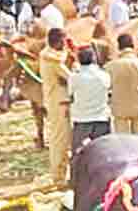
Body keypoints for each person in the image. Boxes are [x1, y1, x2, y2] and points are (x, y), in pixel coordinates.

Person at [39, 28, 73, 185]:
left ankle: (61, 173)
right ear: (58, 42)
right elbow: (71, 78)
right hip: (59, 103)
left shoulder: (50, 55)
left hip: (56, 102)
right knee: (60, 140)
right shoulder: (53, 60)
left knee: (60, 139)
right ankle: (58, 177)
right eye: (64, 42)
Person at [68, 46, 112, 149]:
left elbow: (70, 93)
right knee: (103, 152)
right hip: (101, 119)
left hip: (81, 120)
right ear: (94, 58)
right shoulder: (104, 76)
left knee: (78, 153)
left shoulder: (74, 78)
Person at [105, 34, 138, 136]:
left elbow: (107, 86)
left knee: (122, 137)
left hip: (119, 106)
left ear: (119, 46)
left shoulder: (111, 65)